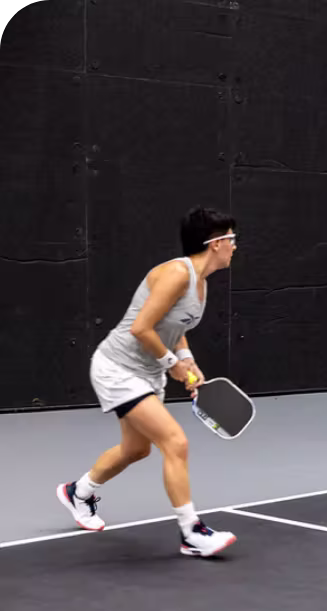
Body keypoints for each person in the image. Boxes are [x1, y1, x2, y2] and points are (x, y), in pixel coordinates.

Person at [56, 207, 238, 557]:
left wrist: (186, 360)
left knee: (136, 449)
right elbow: (142, 329)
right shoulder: (175, 274)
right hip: (118, 368)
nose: (235, 246)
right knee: (175, 441)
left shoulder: (200, 284)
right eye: (232, 239)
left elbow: (174, 329)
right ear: (215, 243)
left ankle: (77, 492)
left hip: (146, 372)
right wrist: (171, 363)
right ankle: (192, 532)